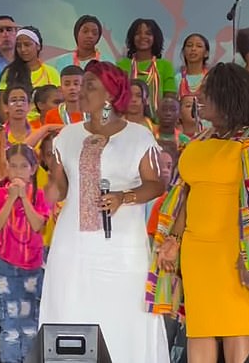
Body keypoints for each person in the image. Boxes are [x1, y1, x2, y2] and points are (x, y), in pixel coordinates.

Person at [39, 60, 169, 363]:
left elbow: (156, 185)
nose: (80, 91)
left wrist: (125, 196)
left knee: (123, 318)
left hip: (122, 249)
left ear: (110, 95)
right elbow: (59, 188)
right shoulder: (66, 136)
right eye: (81, 84)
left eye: (89, 86)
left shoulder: (138, 136)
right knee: (70, 309)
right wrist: (45, 190)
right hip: (73, 247)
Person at [155, 63, 249, 363]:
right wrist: (173, 241)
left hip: (233, 254)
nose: (198, 96)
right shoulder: (197, 142)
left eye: (206, 91)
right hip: (197, 255)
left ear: (228, 96)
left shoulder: (246, 144)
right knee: (200, 329)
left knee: (237, 329)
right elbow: (186, 196)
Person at [0, 144, 49, 363]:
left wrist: (24, 197)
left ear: (33, 169)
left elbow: (38, 224)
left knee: (30, 325)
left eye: (24, 166)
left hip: (31, 265)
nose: (18, 171)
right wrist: (11, 198)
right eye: (13, 166)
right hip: (4, 266)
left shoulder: (39, 195)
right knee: (10, 325)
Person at [117, 18, 176, 122]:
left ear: (155, 38)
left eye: (148, 33)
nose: (143, 37)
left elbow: (170, 99)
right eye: (138, 33)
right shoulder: (122, 65)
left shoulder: (165, 66)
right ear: (132, 37)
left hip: (157, 125)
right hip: (126, 123)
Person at [0, 27, 60, 125]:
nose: (23, 49)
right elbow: (2, 106)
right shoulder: (10, 72)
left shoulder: (51, 72)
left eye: (27, 45)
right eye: (19, 46)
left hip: (46, 126)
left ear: (38, 46)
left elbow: (59, 104)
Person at [176, 33, 209, 98]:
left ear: (206, 53)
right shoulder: (177, 79)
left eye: (199, 46)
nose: (193, 49)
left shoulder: (211, 78)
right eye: (189, 45)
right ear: (183, 52)